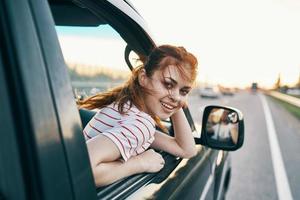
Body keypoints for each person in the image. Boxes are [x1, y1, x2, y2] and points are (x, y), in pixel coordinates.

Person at [78, 45, 198, 187]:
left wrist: (172, 100)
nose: (177, 97)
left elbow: (186, 149)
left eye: (184, 91)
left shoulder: (126, 107)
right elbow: (81, 169)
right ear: (143, 78)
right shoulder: (140, 125)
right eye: (168, 84)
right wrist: (140, 163)